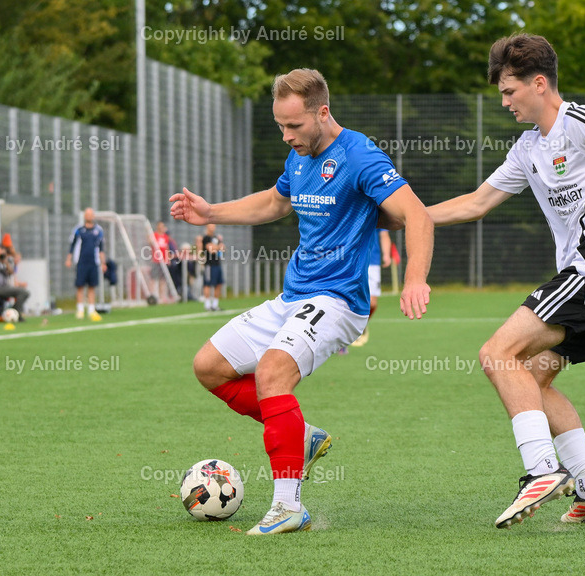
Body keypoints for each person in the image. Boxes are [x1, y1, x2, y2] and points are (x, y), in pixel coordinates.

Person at [169, 68, 433, 535]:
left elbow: (417, 214)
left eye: (294, 125)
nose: (287, 136)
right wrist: (211, 212)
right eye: (280, 126)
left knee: (272, 372)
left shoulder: (359, 155)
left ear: (322, 112)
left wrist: (414, 279)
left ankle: (288, 506)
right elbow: (274, 202)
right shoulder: (299, 155)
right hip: (294, 295)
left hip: (340, 299)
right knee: (209, 366)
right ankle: (301, 435)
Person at [425, 34, 585, 528]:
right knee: (532, 378)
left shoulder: (582, 122)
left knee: (497, 353)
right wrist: (406, 217)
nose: (504, 102)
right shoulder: (527, 149)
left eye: (509, 91)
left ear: (539, 83)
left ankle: (541, 470)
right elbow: (476, 202)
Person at [350, 229, 392, 347]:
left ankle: (361, 325)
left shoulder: (377, 215)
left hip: (372, 262)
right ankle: (347, 331)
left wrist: (386, 254)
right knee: (348, 300)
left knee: (372, 303)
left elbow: (384, 234)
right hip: (353, 260)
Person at [65, 207, 106, 321]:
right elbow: (72, 245)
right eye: (87, 214)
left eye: (91, 214)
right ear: (84, 216)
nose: (89, 216)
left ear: (93, 216)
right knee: (80, 286)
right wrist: (68, 259)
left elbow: (101, 248)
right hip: (81, 262)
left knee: (92, 286)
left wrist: (103, 263)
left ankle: (91, 310)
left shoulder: (99, 230)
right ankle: (80, 310)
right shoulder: (78, 230)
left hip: (93, 262)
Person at [0, 242, 30, 319]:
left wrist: (5, 262)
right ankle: (12, 313)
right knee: (23, 292)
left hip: (6, 286)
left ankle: (12, 312)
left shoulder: (6, 259)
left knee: (24, 293)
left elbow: (12, 272)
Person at [199, 223, 225, 311]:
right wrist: (218, 247)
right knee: (208, 284)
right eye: (211, 225)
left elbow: (223, 248)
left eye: (214, 225)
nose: (213, 227)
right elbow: (211, 250)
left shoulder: (216, 238)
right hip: (209, 265)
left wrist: (216, 247)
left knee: (219, 284)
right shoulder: (206, 238)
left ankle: (215, 305)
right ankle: (207, 305)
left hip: (217, 264)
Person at [151, 221, 174, 302]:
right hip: (156, 260)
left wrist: (168, 259)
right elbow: (150, 242)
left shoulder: (165, 237)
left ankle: (162, 297)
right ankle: (153, 295)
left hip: (164, 261)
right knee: (154, 278)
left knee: (162, 280)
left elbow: (167, 248)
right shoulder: (154, 235)